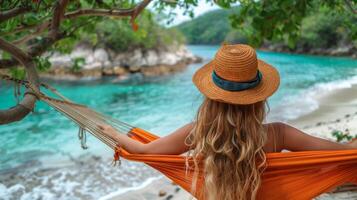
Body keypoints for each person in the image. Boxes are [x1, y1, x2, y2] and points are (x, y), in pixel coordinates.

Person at [99, 44, 357, 200]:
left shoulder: (198, 132)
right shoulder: (280, 134)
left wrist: (111, 133)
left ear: (211, 97)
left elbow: (143, 150)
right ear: (259, 98)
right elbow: (342, 153)